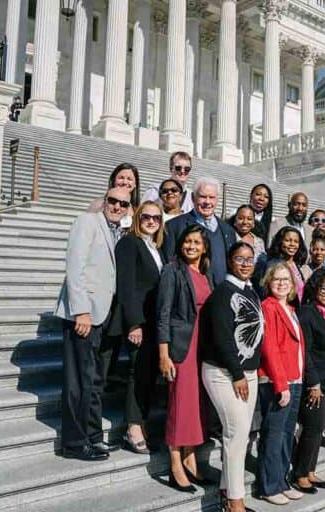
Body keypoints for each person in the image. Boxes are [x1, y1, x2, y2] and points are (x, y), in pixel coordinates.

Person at [55, 187, 130, 461]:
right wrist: (81, 311)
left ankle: (92, 436)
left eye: (123, 203)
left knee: (93, 380)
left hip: (103, 316)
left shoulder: (115, 230)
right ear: (104, 201)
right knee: (78, 381)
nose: (117, 206)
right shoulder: (87, 221)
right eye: (113, 201)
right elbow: (75, 267)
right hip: (84, 315)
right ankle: (74, 443)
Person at [200, 242, 264, 511]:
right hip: (224, 373)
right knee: (236, 434)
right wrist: (238, 373)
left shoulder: (250, 292)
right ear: (229, 261)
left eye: (250, 260)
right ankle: (236, 501)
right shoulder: (222, 294)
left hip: (247, 373)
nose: (246, 264)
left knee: (239, 435)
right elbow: (223, 338)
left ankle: (228, 492)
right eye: (240, 259)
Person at [157, 224, 213, 492]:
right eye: (187, 241)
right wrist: (164, 353)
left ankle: (191, 459)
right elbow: (163, 314)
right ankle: (175, 463)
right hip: (182, 348)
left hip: (203, 348)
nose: (191, 246)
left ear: (204, 247)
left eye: (197, 242)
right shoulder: (172, 270)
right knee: (180, 405)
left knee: (196, 405)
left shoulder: (205, 273)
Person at [109, 202, 164, 455]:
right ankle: (132, 428)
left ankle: (141, 421)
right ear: (137, 217)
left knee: (148, 374)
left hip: (154, 323)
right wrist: (133, 323)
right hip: (139, 322)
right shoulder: (130, 243)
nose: (151, 221)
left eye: (156, 217)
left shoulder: (154, 247)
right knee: (137, 373)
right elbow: (126, 285)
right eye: (146, 216)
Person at [257, 263, 306, 505]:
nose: (281, 282)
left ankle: (282, 480)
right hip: (278, 380)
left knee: (287, 433)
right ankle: (268, 485)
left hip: (295, 378)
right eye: (276, 279)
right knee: (274, 434)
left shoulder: (290, 308)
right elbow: (270, 348)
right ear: (269, 282)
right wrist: (281, 383)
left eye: (286, 279)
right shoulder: (268, 307)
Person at [293, 268, 325, 492]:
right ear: (314, 287)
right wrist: (313, 383)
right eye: (323, 288)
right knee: (312, 427)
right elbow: (306, 351)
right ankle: (300, 474)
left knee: (319, 428)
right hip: (314, 382)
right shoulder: (307, 312)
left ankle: (311, 470)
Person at [163, 178, 237, 285]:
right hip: (189, 295)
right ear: (193, 198)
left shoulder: (227, 230)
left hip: (220, 295)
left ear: (217, 200)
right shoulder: (174, 226)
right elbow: (169, 265)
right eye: (202, 196)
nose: (207, 202)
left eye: (211, 197)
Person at [267, 226, 312, 303]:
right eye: (288, 240)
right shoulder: (273, 265)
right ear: (280, 242)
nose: (292, 244)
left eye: (296, 241)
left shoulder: (296, 264)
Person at [230, 204, 267, 287]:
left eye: (249, 219)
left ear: (254, 223)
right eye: (241, 218)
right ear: (235, 222)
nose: (245, 222)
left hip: (257, 286)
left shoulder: (259, 241)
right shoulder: (230, 238)